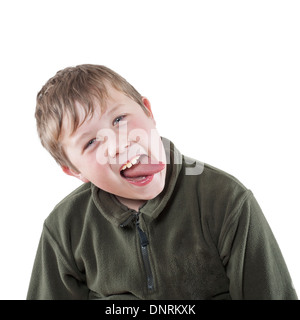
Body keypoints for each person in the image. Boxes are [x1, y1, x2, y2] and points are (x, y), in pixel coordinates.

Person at [27, 64, 297, 300]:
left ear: (148, 111)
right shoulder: (64, 228)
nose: (118, 143)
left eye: (120, 119)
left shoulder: (227, 201)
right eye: (91, 142)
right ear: (73, 170)